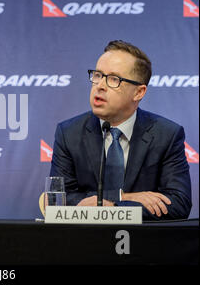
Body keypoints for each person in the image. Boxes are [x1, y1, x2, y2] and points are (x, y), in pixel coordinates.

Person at [49, 40, 192, 220]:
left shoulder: (167, 135)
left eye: (114, 79)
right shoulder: (69, 133)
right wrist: (123, 198)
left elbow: (179, 203)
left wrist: (115, 206)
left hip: (143, 244)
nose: (100, 85)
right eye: (98, 75)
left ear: (139, 92)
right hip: (84, 241)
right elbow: (59, 200)